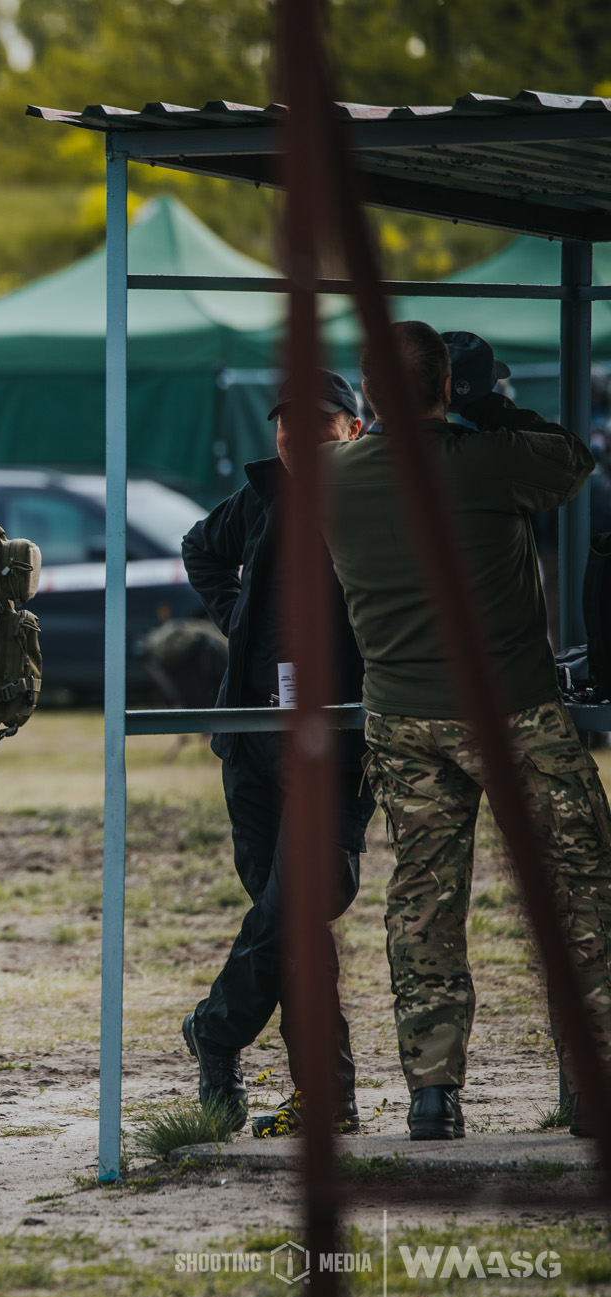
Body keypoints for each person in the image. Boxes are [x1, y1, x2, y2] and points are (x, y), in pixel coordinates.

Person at [322, 321, 611, 1140]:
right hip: (511, 709)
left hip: (402, 721)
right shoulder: (489, 460)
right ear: (450, 387)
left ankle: (433, 1093)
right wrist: (492, 409)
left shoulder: (333, 478)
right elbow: (572, 457)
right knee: (582, 886)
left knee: (424, 900)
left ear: (369, 395)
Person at [178, 369, 374, 1138]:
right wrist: (236, 615)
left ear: (353, 429)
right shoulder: (263, 496)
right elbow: (200, 549)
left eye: (317, 422)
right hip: (253, 742)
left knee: (300, 900)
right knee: (288, 919)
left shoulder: (370, 500)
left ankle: (216, 1031)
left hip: (335, 742)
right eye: (285, 422)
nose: (296, 435)